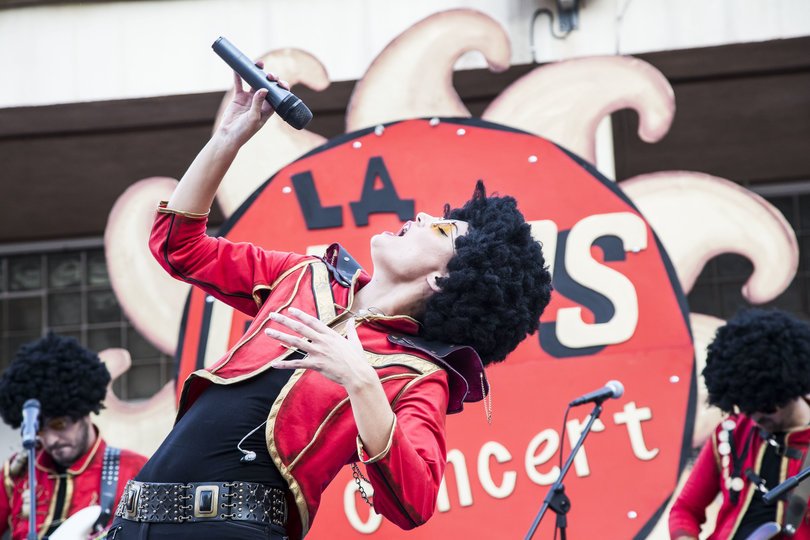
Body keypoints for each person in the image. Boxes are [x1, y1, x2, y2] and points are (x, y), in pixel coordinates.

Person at [108, 67, 552, 540]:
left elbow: (416, 501)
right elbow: (179, 247)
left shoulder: (418, 375)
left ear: (446, 278)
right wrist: (228, 138)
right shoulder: (305, 275)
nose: (422, 216)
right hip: (133, 521)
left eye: (443, 230)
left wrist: (361, 381)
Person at [669, 309, 810, 540]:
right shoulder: (732, 431)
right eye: (746, 409)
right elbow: (685, 508)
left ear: (792, 388)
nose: (756, 420)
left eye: (766, 408)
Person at [0, 333, 147, 539]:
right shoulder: (15, 474)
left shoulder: (136, 471)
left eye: (59, 424)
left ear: (84, 410)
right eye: (40, 429)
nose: (51, 440)